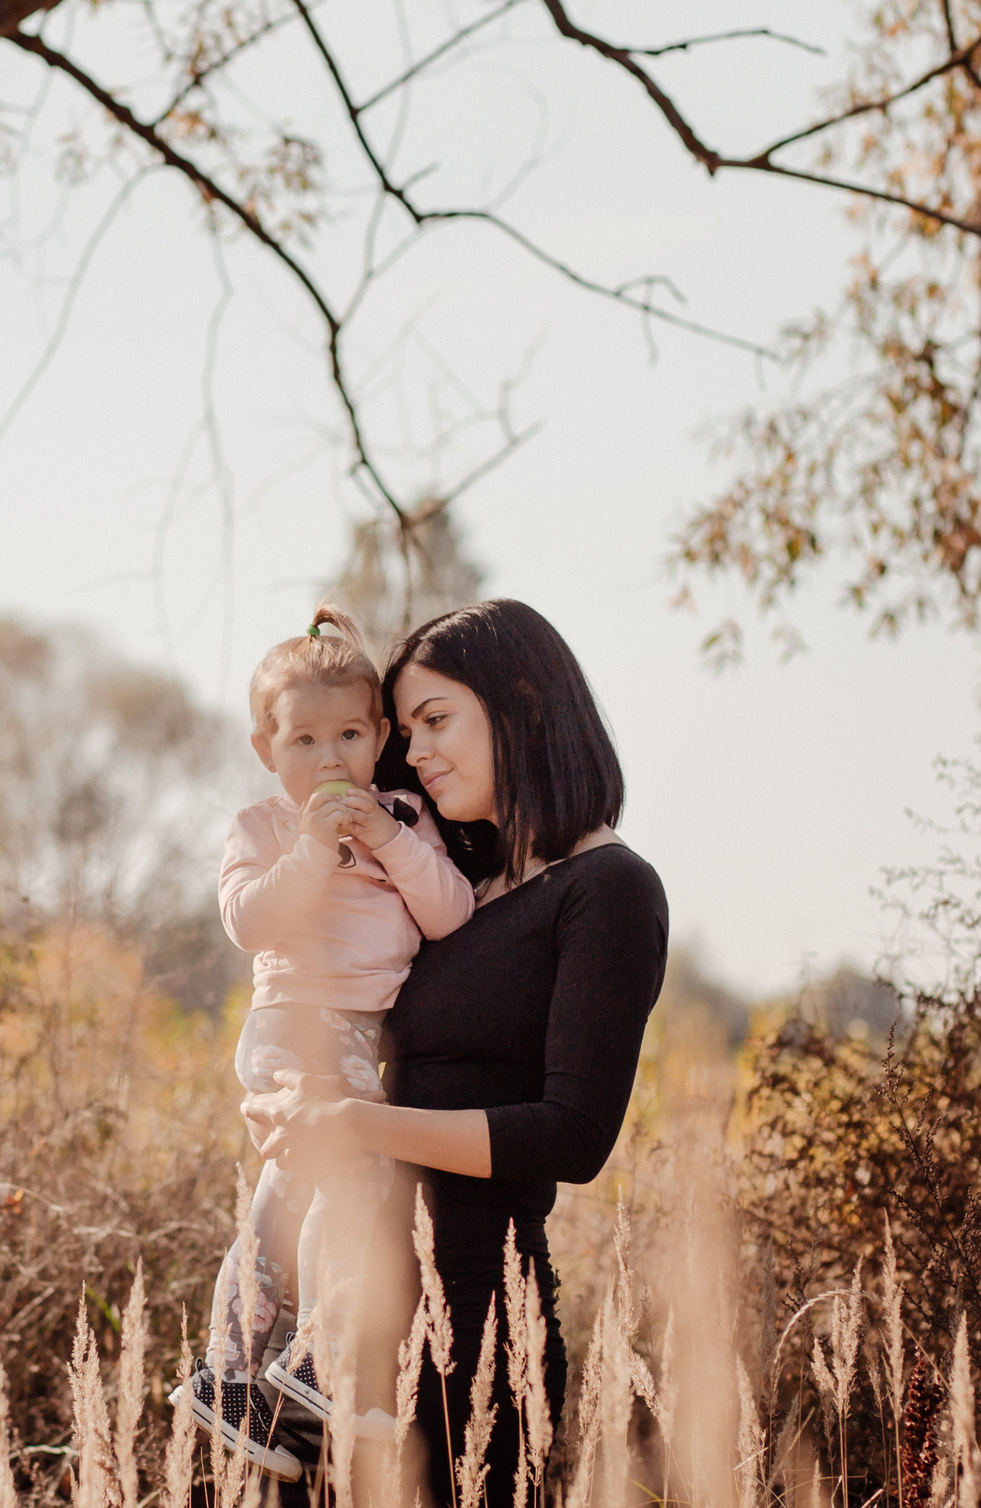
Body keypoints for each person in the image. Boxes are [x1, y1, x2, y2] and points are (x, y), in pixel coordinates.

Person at [243, 600, 668, 1507]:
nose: (419, 752)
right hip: (348, 1327)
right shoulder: (452, 886)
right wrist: (293, 1095)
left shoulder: (609, 888)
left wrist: (360, 1123)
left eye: (439, 720)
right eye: (409, 730)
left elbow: (572, 1135)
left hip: (477, 1331)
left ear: (522, 704)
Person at [172, 607, 476, 1479]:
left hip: (356, 1036)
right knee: (358, 1172)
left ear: (381, 736)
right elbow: (247, 920)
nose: (330, 758)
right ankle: (315, 1355)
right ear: (267, 749)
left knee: (293, 1189)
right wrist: (312, 847)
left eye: (348, 734)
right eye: (303, 740)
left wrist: (387, 837)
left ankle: (234, 1373)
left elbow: (449, 911)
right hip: (295, 1024)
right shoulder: (264, 826)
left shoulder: (403, 816)